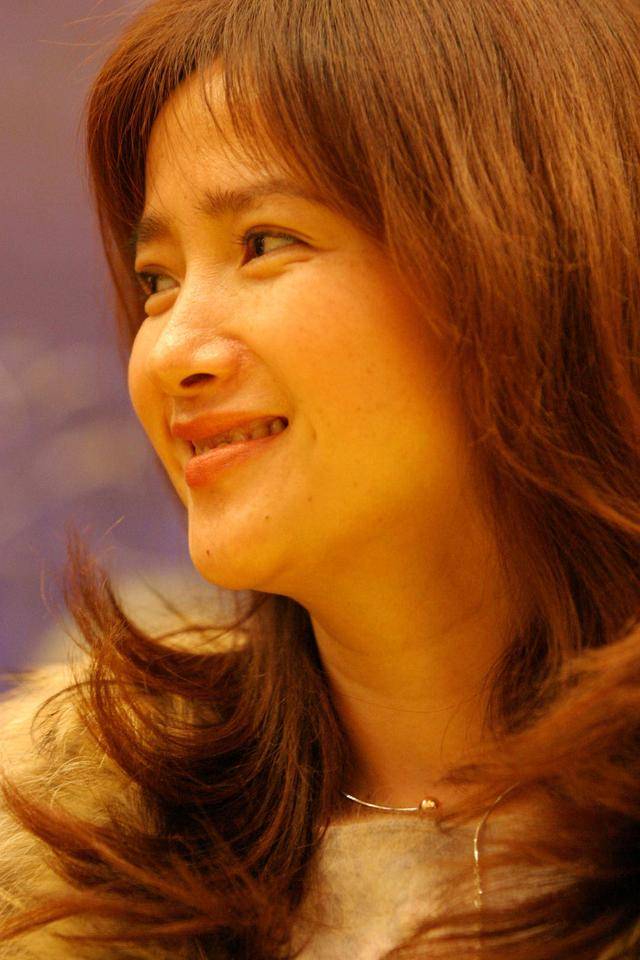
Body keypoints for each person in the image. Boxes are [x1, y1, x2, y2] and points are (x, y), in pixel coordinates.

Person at [1, 0, 639, 957]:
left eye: (264, 242)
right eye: (157, 280)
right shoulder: (62, 860)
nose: (169, 352)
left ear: (528, 258)